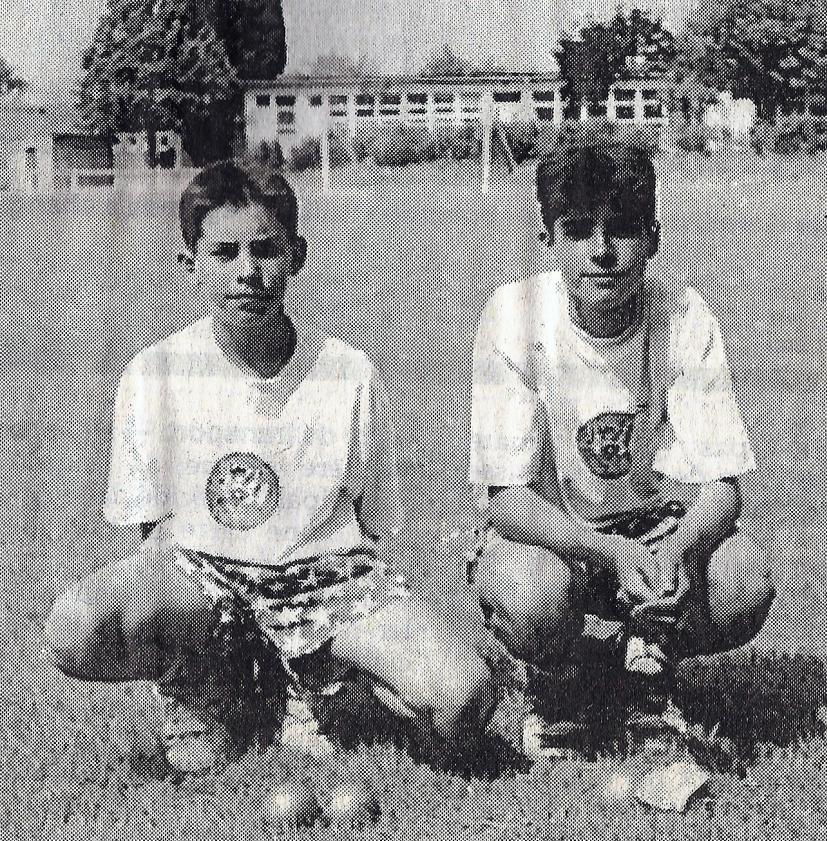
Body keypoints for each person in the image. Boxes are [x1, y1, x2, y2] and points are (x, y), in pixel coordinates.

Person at [44, 161, 496, 774]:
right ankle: (222, 698)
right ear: (191, 262)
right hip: (213, 589)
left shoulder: (347, 372)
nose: (247, 274)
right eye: (224, 253)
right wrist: (194, 644)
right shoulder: (153, 376)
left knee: (465, 693)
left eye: (266, 250)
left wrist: (367, 630)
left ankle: (325, 692)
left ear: (297, 255)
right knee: (78, 622)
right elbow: (150, 547)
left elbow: (368, 529)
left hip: (325, 586)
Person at [468, 141, 775, 759]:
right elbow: (502, 499)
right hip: (558, 535)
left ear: (654, 237)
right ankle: (553, 689)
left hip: (655, 524)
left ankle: (650, 671)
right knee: (528, 590)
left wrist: (675, 550)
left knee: (747, 574)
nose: (602, 251)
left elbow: (726, 484)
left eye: (623, 229)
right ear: (548, 239)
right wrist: (606, 552)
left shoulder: (683, 315)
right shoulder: (514, 317)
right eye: (579, 230)